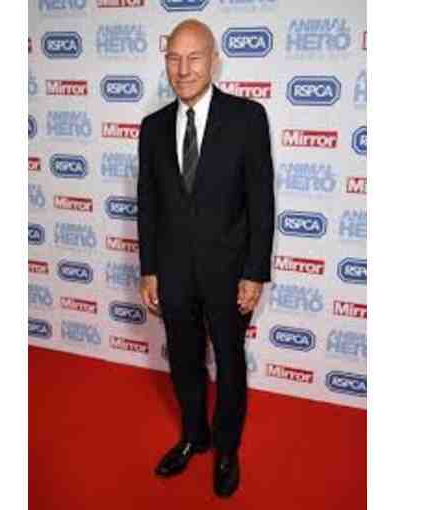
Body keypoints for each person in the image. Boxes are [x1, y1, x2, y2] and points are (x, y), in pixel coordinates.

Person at [136, 19, 274, 498]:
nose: (183, 69)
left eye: (194, 58)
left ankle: (227, 449)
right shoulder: (152, 127)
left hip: (229, 274)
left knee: (230, 362)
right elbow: (148, 203)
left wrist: (255, 271)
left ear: (214, 60)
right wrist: (149, 268)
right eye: (174, 58)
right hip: (173, 273)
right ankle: (195, 436)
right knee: (184, 360)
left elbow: (261, 201)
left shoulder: (247, 118)